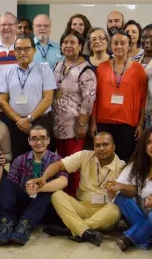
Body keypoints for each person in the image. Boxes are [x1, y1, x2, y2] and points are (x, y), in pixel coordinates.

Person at [40, 132, 127, 246]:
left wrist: (114, 191)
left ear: (113, 147)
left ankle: (73, 229)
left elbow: (126, 194)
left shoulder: (121, 166)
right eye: (98, 145)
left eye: (105, 145)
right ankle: (83, 230)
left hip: (104, 213)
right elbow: (57, 165)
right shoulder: (84, 156)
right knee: (57, 195)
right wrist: (43, 178)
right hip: (82, 206)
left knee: (115, 209)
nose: (101, 148)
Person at [0, 125, 68, 246]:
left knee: (50, 190)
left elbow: (63, 181)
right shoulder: (19, 160)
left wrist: (39, 188)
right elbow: (10, 187)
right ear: (29, 141)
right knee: (7, 183)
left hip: (43, 207)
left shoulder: (57, 160)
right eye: (34, 138)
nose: (39, 142)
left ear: (48, 140)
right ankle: (6, 224)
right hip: (23, 201)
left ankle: (25, 225)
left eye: (43, 138)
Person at [91, 30, 148, 161]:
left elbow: (143, 98)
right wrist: (93, 122)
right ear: (110, 46)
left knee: (124, 160)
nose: (119, 46)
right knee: (104, 159)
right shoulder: (101, 68)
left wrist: (141, 123)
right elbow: (95, 97)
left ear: (129, 45)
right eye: (115, 43)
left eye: (123, 43)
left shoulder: (138, 69)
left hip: (128, 124)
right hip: (104, 122)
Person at [53, 29, 96, 197]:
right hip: (57, 125)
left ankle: (74, 198)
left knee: (74, 166)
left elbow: (89, 100)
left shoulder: (86, 70)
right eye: (65, 42)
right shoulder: (58, 65)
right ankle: (62, 198)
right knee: (61, 164)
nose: (68, 45)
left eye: (73, 43)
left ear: (80, 47)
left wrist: (82, 124)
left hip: (74, 127)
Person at [0, 35, 57, 158]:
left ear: (34, 50)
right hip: (16, 123)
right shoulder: (7, 72)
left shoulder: (45, 70)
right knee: (19, 158)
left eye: (26, 48)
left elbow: (48, 99)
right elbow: (2, 101)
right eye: (18, 49)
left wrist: (29, 118)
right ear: (14, 51)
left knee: (42, 159)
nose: (22, 52)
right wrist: (19, 120)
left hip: (40, 121)